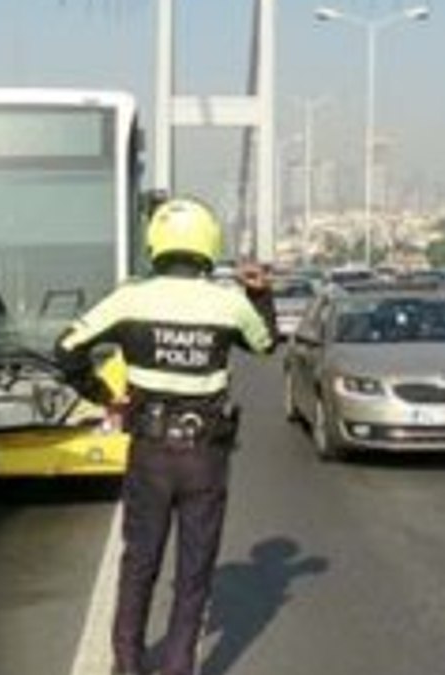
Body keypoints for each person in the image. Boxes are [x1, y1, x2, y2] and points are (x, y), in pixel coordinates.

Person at [55, 197, 277, 675]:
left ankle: (128, 664)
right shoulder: (228, 304)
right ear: (208, 246)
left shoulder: (130, 298)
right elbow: (266, 343)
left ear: (156, 242)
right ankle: (179, 666)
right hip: (206, 456)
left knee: (139, 564)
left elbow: (66, 348)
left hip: (150, 451)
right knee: (194, 571)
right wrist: (259, 293)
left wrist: (102, 395)